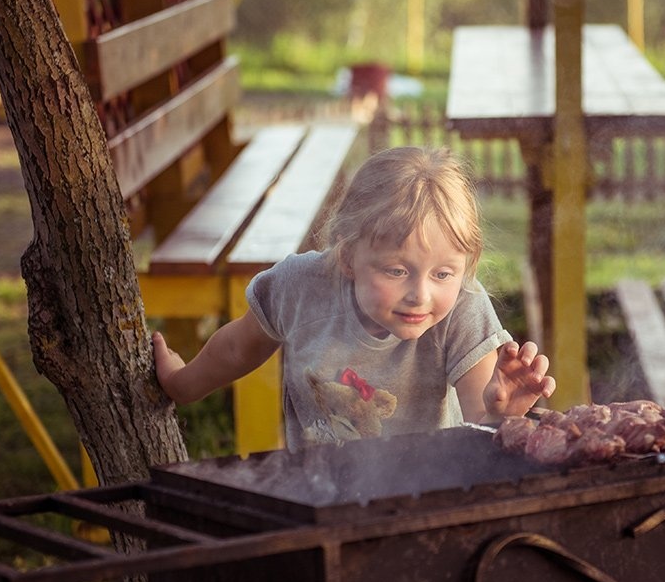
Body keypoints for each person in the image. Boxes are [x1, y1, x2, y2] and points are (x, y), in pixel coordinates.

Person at [153, 145, 556, 448]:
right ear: (347, 255)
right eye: (396, 271)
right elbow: (238, 348)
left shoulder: (463, 309)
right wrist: (181, 384)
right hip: (319, 499)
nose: (420, 294)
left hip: (427, 502)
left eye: (443, 273)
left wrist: (502, 415)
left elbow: (479, 430)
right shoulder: (300, 286)